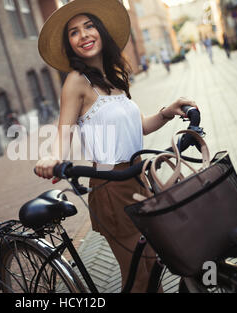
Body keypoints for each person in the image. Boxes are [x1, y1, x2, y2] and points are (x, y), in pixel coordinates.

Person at [35, 0, 198, 293]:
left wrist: (166, 112)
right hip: (110, 186)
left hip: (139, 178)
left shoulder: (116, 77)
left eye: (89, 26)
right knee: (140, 278)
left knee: (154, 271)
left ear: (101, 31)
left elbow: (139, 125)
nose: (83, 35)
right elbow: (64, 131)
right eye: (73, 32)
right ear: (69, 44)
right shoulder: (76, 82)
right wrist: (53, 158)